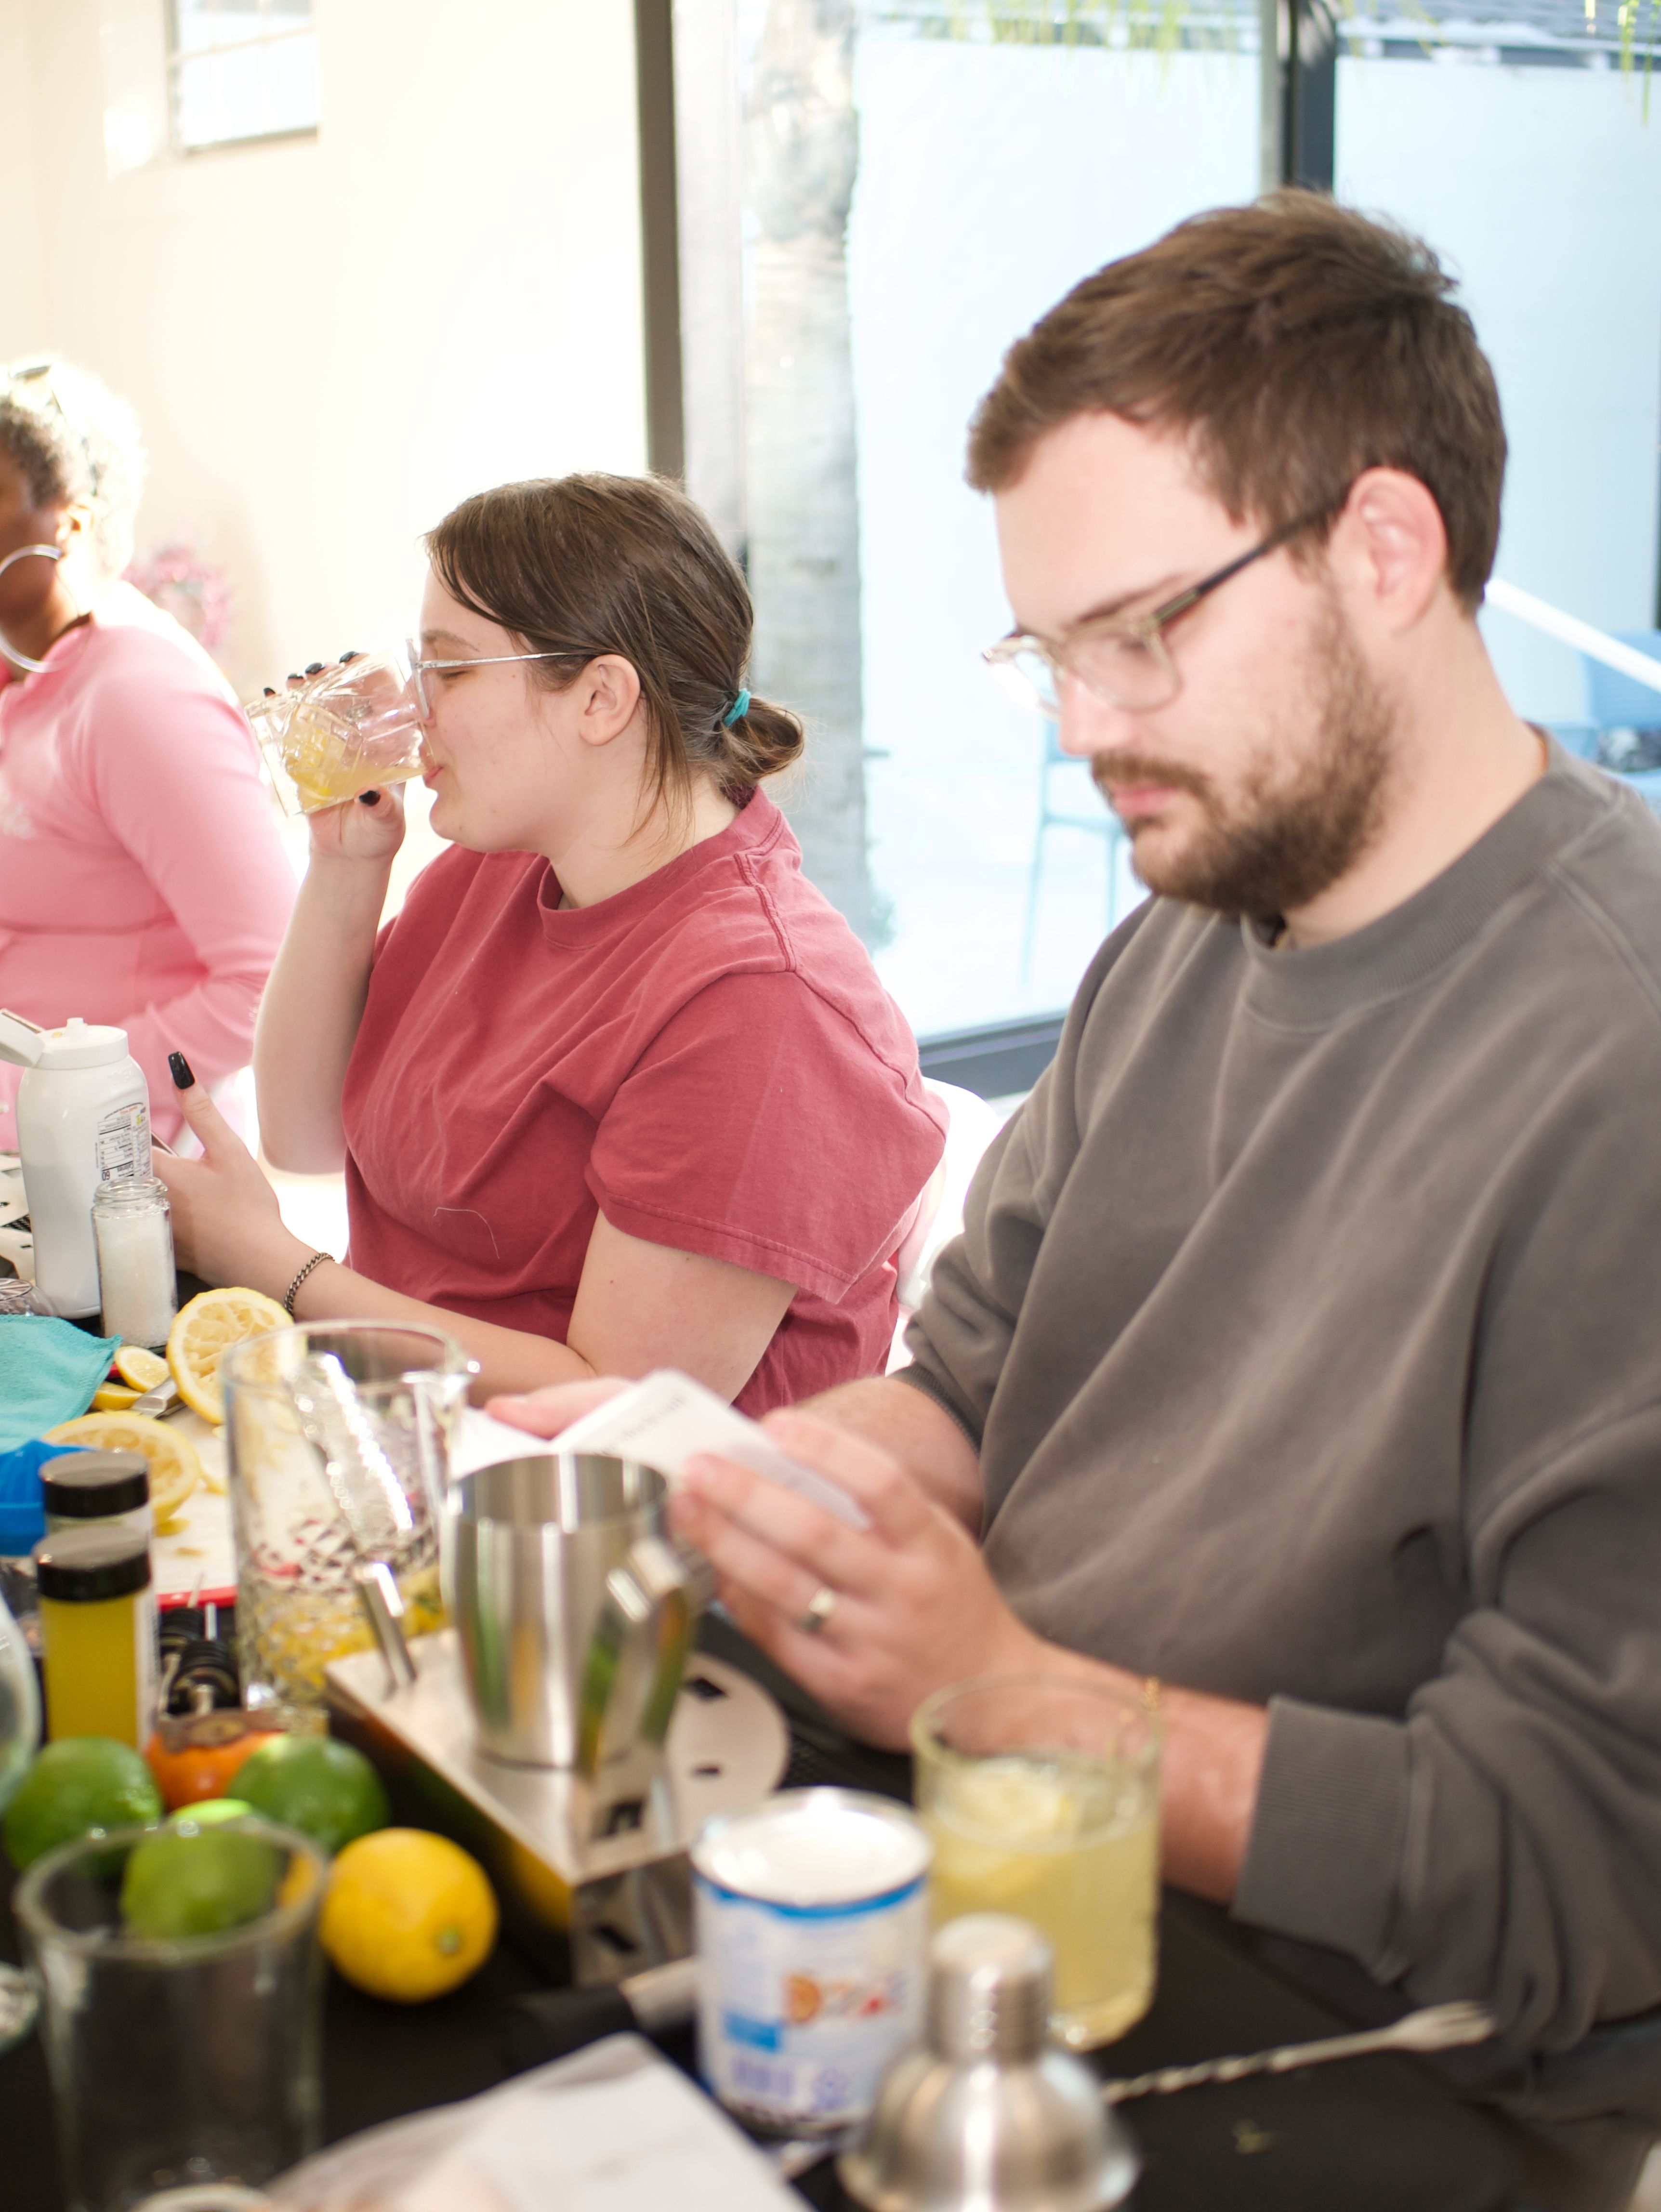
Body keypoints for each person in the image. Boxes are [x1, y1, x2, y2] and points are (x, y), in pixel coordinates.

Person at [490, 201, 1661, 2207]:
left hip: (1325, 2038)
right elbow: (969, 1376)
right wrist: (704, 1470)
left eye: (1138, 634)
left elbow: (1567, 1857)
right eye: (1047, 650)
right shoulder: (1200, 917)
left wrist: (1001, 1689)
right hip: (985, 1836)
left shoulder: (1614, 1050)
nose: (1076, 724)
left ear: (1388, 550)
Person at [158, 473, 945, 1408]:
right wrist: (344, 868)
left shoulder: (760, 1003)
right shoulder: (503, 868)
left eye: (447, 671)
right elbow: (303, 1131)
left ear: (601, 699)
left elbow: (616, 1400)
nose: (411, 713)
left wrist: (277, 1270)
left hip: (625, 1515)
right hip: (411, 1431)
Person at [0, 357, 294, 1146]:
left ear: (67, 521)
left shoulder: (139, 694)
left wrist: (41, 1096)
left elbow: (268, 983)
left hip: (119, 1167)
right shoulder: (25, 682)